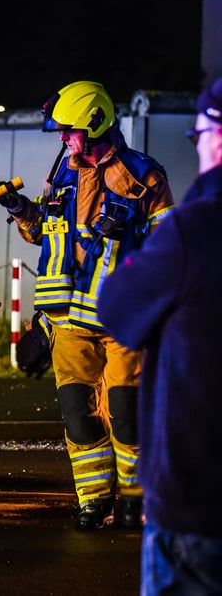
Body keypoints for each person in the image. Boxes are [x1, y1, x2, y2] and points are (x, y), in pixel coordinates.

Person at [0, 80, 175, 531]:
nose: (62, 138)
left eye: (68, 130)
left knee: (127, 417)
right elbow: (45, 233)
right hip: (68, 323)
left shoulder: (144, 176)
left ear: (94, 124)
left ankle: (137, 501)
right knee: (79, 417)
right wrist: (20, 210)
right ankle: (93, 501)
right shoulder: (65, 172)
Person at [98, 77, 222, 593]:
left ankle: (122, 498)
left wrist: (130, 244)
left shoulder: (195, 230)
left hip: (200, 506)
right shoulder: (66, 174)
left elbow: (119, 307)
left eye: (200, 136)